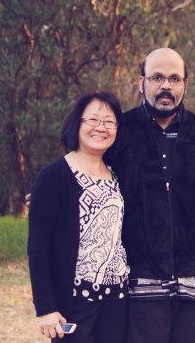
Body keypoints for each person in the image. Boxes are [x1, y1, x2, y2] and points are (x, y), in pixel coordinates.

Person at [113, 48, 195, 343]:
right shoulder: (120, 132)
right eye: (157, 77)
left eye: (173, 78)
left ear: (186, 84)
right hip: (137, 283)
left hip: (194, 283)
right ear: (141, 82)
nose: (165, 86)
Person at [28, 92, 129, 342]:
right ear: (78, 124)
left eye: (109, 122)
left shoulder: (118, 176)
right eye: (92, 120)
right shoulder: (54, 176)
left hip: (117, 302)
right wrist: (45, 309)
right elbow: (38, 247)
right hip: (73, 303)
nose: (100, 128)